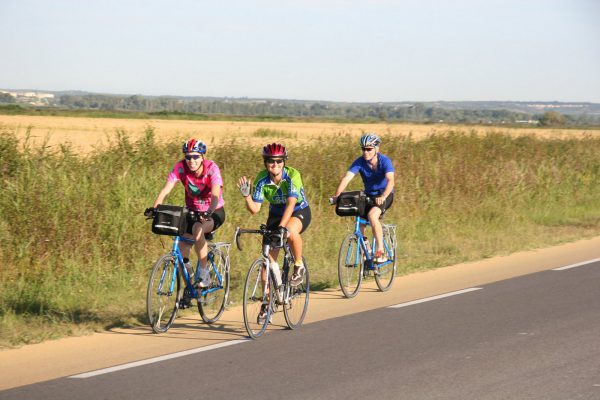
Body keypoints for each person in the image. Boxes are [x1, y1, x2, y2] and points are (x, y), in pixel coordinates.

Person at [238, 143, 311, 321]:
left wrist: (281, 228)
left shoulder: (292, 175)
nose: (275, 165)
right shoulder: (262, 179)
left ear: (284, 162)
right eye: (271, 161)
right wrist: (247, 196)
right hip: (276, 213)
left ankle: (299, 265)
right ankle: (268, 302)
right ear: (266, 163)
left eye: (279, 161)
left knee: (290, 231)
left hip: (298, 211)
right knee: (267, 263)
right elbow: (255, 209)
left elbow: (291, 203)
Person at [147, 138, 226, 288]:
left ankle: (204, 275)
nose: (191, 160)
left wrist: (208, 212)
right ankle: (189, 289)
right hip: (192, 211)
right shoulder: (180, 168)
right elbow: (166, 190)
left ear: (202, 157)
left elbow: (216, 194)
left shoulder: (212, 168)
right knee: (182, 248)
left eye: (196, 156)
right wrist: (156, 208)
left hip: (214, 211)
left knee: (198, 230)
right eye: (188, 157)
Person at [331, 133, 394, 263]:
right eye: (363, 149)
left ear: (376, 149)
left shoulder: (385, 161)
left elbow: (391, 181)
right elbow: (347, 178)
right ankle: (366, 250)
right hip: (369, 195)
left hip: (385, 195)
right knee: (359, 219)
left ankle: (380, 251)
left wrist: (383, 196)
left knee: (372, 216)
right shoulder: (359, 162)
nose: (365, 152)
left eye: (369, 149)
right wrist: (337, 195)